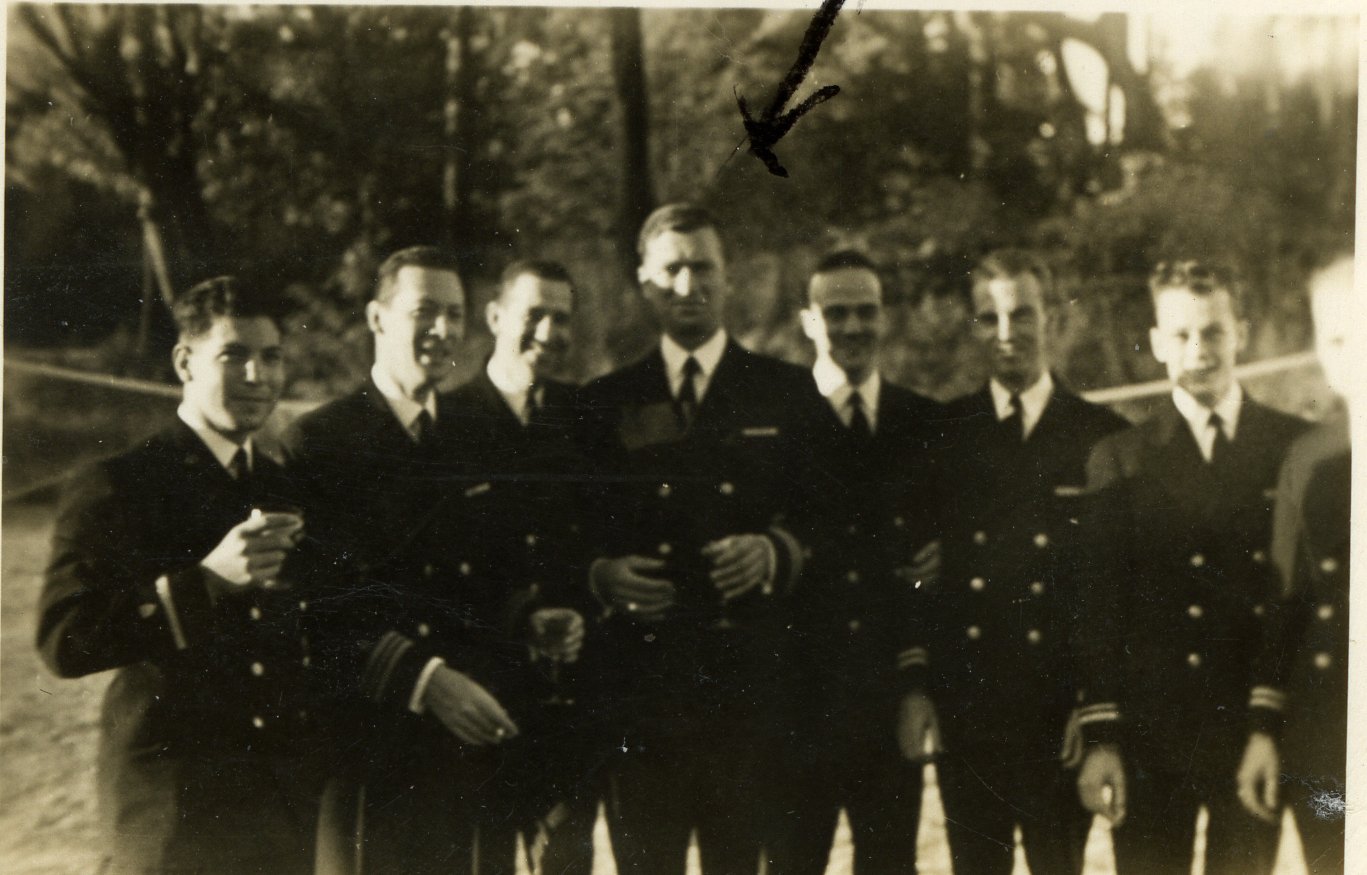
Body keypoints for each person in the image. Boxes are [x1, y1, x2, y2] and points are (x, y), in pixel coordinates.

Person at [284, 246, 579, 875]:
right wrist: (424, 679)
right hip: (376, 758)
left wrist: (532, 618)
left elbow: (488, 575)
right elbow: (311, 611)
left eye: (455, 314)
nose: (443, 331)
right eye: (424, 312)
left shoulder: (473, 435)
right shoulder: (321, 443)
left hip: (470, 761)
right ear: (378, 318)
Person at [37, 276, 321, 874]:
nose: (257, 376)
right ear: (185, 362)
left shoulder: (280, 484)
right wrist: (206, 582)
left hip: (277, 812)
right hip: (175, 816)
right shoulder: (120, 484)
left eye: (271, 357)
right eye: (234, 355)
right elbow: (64, 638)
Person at [576, 202, 820, 875]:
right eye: (672, 269)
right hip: (643, 702)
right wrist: (599, 573)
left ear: (728, 276)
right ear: (644, 282)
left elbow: (830, 520)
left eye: (703, 266)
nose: (689, 285)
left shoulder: (787, 393)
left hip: (748, 703)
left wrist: (775, 551)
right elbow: (570, 528)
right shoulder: (604, 402)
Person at [1074, 258, 1309, 875]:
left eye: (1213, 332)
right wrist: (1104, 739)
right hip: (1156, 742)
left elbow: (1298, 600)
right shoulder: (1119, 460)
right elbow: (1101, 610)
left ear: (1243, 333)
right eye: (1181, 334)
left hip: (1252, 734)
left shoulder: (1294, 449)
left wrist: (1266, 724)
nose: (1199, 350)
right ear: (1156, 342)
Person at [899, 249, 1128, 875]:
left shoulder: (1099, 436)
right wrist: (918, 681)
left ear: (1051, 316)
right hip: (969, 714)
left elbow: (1108, 591)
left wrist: (1096, 711)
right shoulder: (945, 435)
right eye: (988, 317)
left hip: (1058, 718)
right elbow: (917, 573)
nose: (1007, 333)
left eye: (1022, 313)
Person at [765, 250, 944, 875]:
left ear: (885, 318)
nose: (852, 327)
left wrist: (918, 686)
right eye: (834, 313)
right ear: (808, 322)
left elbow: (934, 562)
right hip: (795, 706)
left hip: (886, 698)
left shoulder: (924, 422)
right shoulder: (775, 424)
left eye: (866, 311)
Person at [446, 259, 597, 874]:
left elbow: (600, 543)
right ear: (495, 317)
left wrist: (583, 607)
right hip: (476, 702)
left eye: (562, 318)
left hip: (562, 707)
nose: (549, 331)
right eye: (534, 314)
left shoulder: (584, 419)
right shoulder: (449, 421)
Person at [1235, 253, 1354, 874]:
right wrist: (1263, 729)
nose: (1353, 350)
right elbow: (1285, 603)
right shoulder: (1309, 460)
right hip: (1326, 744)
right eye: (1335, 336)